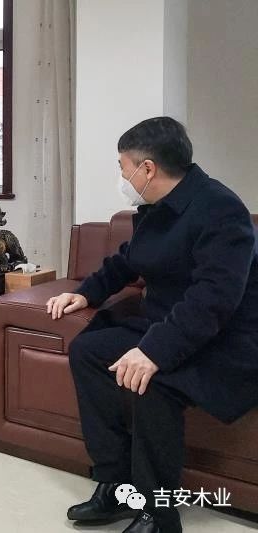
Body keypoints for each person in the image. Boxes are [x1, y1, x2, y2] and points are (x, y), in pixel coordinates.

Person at [48, 117, 258, 533]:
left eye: (122, 166)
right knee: (88, 351)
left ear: (147, 168)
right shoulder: (155, 209)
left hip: (225, 339)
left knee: (154, 382)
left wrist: (153, 351)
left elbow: (215, 299)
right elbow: (129, 259)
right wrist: (86, 293)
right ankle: (116, 482)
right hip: (168, 326)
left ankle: (158, 514)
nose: (121, 176)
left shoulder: (221, 209)